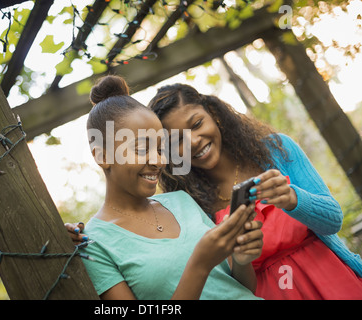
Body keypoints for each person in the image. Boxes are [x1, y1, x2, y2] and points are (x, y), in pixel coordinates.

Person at [144, 82, 362, 299]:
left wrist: (293, 199)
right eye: (178, 140)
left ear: (213, 114)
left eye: (197, 124)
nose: (193, 141)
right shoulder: (193, 204)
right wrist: (241, 258)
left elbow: (333, 220)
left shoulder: (277, 150)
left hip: (335, 283)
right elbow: (231, 284)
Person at [75, 75, 264, 300]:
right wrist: (200, 265)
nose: (158, 161)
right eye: (142, 148)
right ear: (103, 155)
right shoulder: (93, 243)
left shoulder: (182, 201)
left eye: (161, 148)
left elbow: (244, 288)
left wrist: (242, 259)